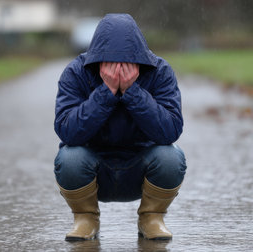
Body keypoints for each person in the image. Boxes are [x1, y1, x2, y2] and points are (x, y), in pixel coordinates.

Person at [54, 13, 186, 241]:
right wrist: (105, 93)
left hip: (140, 169)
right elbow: (68, 131)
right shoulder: (76, 73)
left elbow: (170, 131)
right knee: (69, 157)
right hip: (93, 170)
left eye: (127, 62)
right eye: (110, 61)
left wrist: (132, 92)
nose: (118, 68)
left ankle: (152, 218)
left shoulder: (159, 72)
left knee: (171, 157)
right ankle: (85, 219)